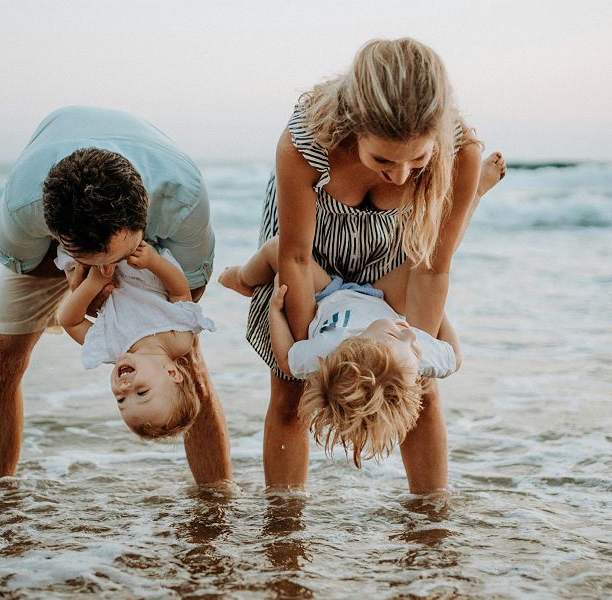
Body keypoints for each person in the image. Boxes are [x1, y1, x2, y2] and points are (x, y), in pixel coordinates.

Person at [245, 38, 506, 493]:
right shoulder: (306, 142)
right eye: (382, 159)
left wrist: (414, 356)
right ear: (353, 129)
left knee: (418, 388)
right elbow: (296, 258)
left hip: (397, 240)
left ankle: (430, 525)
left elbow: (432, 267)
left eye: (418, 161)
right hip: (310, 239)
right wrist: (318, 347)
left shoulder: (460, 151)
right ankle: (284, 529)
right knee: (291, 387)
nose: (401, 176)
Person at [0, 106, 231, 484]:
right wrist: (79, 283)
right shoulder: (22, 208)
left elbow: (189, 289)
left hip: (152, 229)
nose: (125, 390)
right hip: (62, 257)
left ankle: (216, 497)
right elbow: (28, 269)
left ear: (140, 221)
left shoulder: (182, 198)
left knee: (189, 361)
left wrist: (141, 277)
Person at [220, 236, 462, 469]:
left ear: (358, 346)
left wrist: (275, 311)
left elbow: (286, 360)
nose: (410, 334)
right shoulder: (410, 358)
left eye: (394, 336)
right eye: (415, 349)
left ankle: (242, 279)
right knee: (430, 257)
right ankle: (473, 197)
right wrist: (440, 313)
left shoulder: (327, 351)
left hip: (327, 295)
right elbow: (454, 357)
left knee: (278, 247)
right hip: (384, 299)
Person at [55, 241, 216, 438]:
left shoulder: (111, 347)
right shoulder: (179, 339)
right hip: (141, 260)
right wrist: (153, 261)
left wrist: (93, 283)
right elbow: (180, 292)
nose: (124, 388)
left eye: (121, 400)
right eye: (142, 393)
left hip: (96, 262)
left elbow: (70, 321)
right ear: (172, 373)